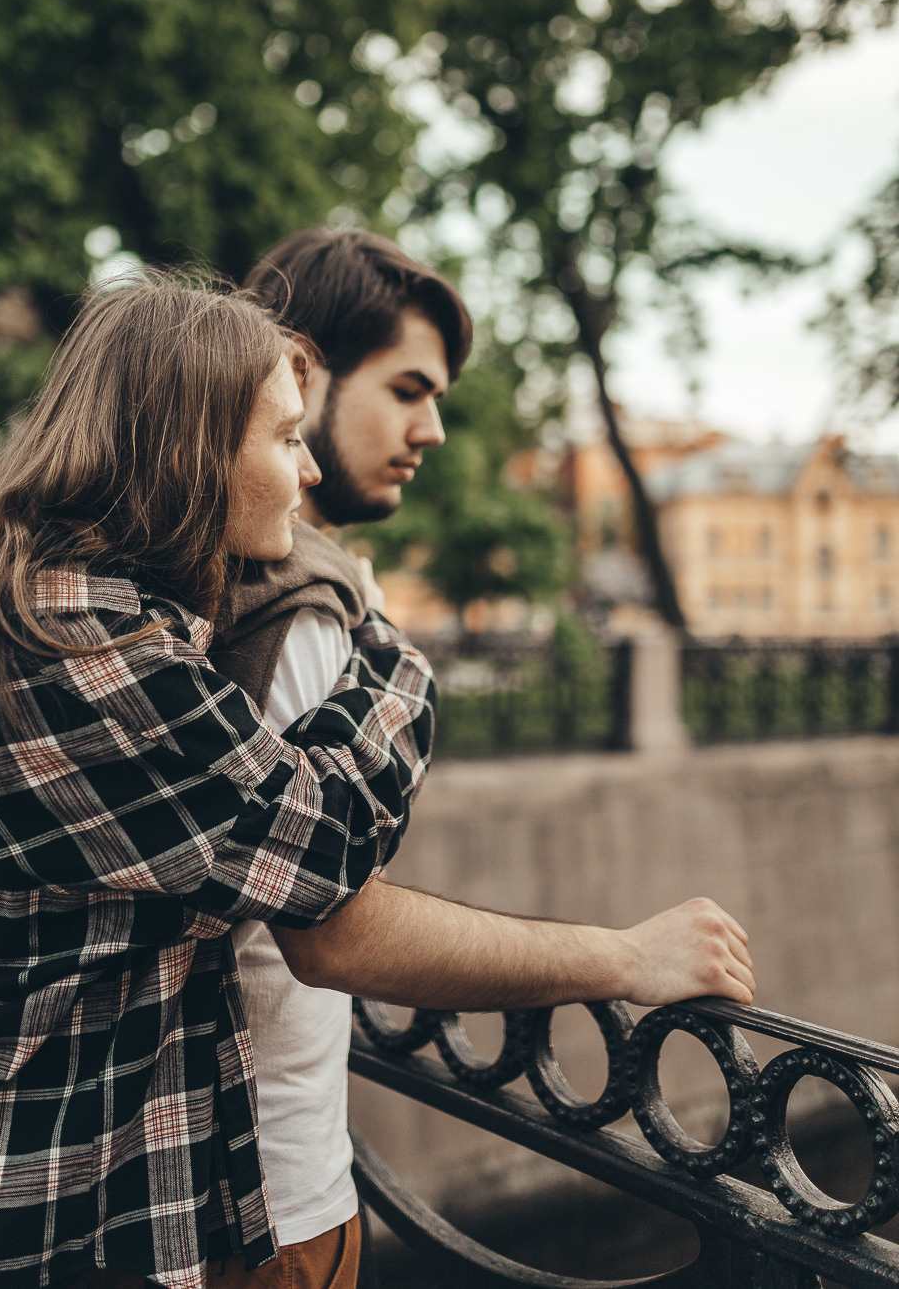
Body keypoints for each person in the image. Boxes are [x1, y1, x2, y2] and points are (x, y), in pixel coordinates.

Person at [0, 273, 437, 1289]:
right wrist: (385, 639)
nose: (312, 470)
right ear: (193, 454)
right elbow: (323, 844)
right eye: (287, 439)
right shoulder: (76, 648)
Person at [202, 227, 754, 1289]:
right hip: (260, 1209)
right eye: (409, 389)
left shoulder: (209, 573)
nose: (435, 428)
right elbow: (333, 933)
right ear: (303, 368)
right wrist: (626, 958)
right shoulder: (297, 613)